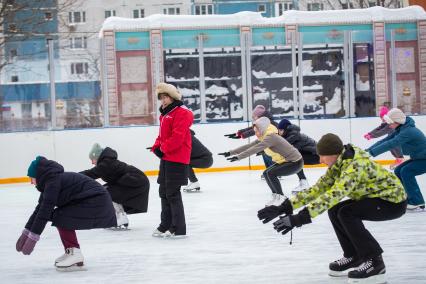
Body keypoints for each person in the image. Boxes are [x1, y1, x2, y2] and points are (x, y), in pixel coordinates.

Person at [257, 133, 406, 283]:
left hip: (392, 202)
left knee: (347, 213)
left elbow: (334, 195)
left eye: (322, 156)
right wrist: (284, 207)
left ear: (333, 153)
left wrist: (300, 218)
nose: (320, 160)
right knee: (335, 210)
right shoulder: (340, 163)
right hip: (375, 198)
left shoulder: (355, 165)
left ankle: (375, 262)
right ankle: (353, 255)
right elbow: (318, 189)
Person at [16, 156, 116, 271]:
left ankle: (74, 252)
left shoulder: (53, 182)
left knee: (60, 216)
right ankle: (71, 251)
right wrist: (26, 233)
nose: (31, 182)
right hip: (92, 201)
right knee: (58, 215)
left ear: (38, 175)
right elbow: (39, 210)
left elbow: (44, 212)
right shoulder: (50, 182)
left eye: (31, 178)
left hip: (97, 202)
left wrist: (33, 238)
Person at [219, 117, 303, 206]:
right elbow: (249, 145)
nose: (255, 134)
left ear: (262, 128)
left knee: (270, 173)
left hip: (295, 162)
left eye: (256, 131)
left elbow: (255, 149)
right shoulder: (264, 136)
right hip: (287, 161)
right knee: (266, 173)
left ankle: (281, 198)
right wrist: (230, 153)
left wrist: (239, 157)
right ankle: (276, 196)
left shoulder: (271, 137)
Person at [150, 82, 193, 238]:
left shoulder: (182, 112)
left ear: (172, 96)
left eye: (165, 97)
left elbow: (178, 137)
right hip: (167, 158)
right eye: (161, 98)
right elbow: (162, 137)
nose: (163, 101)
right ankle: (165, 224)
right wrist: (156, 147)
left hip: (178, 158)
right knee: (163, 191)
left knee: (172, 193)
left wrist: (162, 149)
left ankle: (178, 227)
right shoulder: (166, 114)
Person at [80, 143, 150, 229]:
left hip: (135, 180)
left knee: (107, 193)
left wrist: (73, 177)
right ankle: (120, 218)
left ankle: (121, 218)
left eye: (93, 159)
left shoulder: (106, 163)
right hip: (132, 180)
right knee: (106, 191)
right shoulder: (106, 162)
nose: (92, 162)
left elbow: (91, 173)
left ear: (97, 157)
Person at [368, 108, 426, 211]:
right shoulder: (402, 129)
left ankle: (417, 202)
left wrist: (371, 153)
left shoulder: (408, 131)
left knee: (406, 171)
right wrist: (367, 151)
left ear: (398, 121)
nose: (389, 125)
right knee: (398, 170)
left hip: (423, 159)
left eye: (390, 123)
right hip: (419, 157)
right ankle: (406, 198)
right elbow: (386, 140)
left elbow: (391, 144)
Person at [224, 104, 278, 175]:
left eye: (254, 116)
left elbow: (254, 130)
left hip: (274, 144)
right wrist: (238, 133)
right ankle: (270, 171)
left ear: (260, 116)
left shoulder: (268, 123)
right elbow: (252, 128)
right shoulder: (263, 122)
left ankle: (274, 172)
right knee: (264, 153)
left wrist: (242, 135)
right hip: (267, 143)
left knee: (267, 154)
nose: (253, 118)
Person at [277, 119, 319, 193]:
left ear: (286, 129)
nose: (279, 132)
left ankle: (304, 183)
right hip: (314, 154)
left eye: (280, 130)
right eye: (278, 130)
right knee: (295, 158)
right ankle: (303, 181)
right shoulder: (291, 134)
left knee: (295, 160)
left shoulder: (294, 136)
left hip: (316, 156)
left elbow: (283, 145)